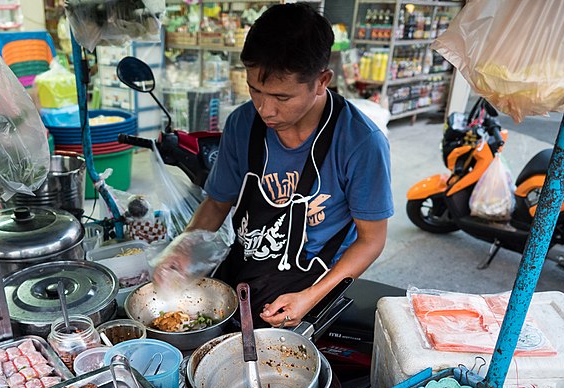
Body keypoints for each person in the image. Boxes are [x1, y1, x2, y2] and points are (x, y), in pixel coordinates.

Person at [154, 3, 394, 327]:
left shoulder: (360, 143)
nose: (265, 110)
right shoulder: (243, 123)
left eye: (282, 98)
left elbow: (371, 240)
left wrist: (311, 295)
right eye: (255, 90)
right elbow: (216, 203)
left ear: (322, 81)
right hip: (245, 269)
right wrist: (182, 249)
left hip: (316, 283)